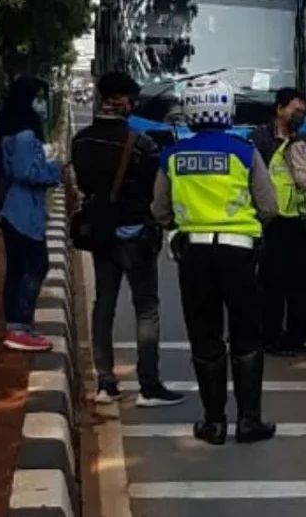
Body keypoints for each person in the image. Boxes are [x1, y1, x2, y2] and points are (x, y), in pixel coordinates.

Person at [151, 77, 279, 445]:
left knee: (205, 336)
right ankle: (249, 421)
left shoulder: (173, 155)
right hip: (240, 253)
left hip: (194, 255)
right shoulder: (244, 151)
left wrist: (181, 223)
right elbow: (268, 206)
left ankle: (214, 423)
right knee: (247, 335)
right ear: (228, 110)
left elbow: (159, 209)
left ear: (189, 111)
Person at [71, 72, 183, 408]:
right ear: (128, 103)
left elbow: (83, 185)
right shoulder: (143, 144)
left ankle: (106, 383)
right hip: (136, 234)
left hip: (101, 234)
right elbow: (156, 189)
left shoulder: (81, 141)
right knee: (146, 307)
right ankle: (148, 386)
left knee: (104, 304)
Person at [251, 89, 306, 356]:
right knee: (273, 284)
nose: (299, 115)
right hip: (272, 222)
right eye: (295, 110)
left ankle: (298, 337)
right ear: (279, 109)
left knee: (302, 284)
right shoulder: (260, 139)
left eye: (302, 111)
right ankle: (270, 338)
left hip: (298, 220)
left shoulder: (302, 139)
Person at [0, 76, 62, 352]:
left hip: (15, 209)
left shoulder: (10, 126)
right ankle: (19, 326)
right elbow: (25, 171)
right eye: (38, 97)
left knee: (18, 268)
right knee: (35, 265)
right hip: (23, 211)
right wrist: (53, 170)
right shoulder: (23, 133)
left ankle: (18, 325)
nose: (42, 104)